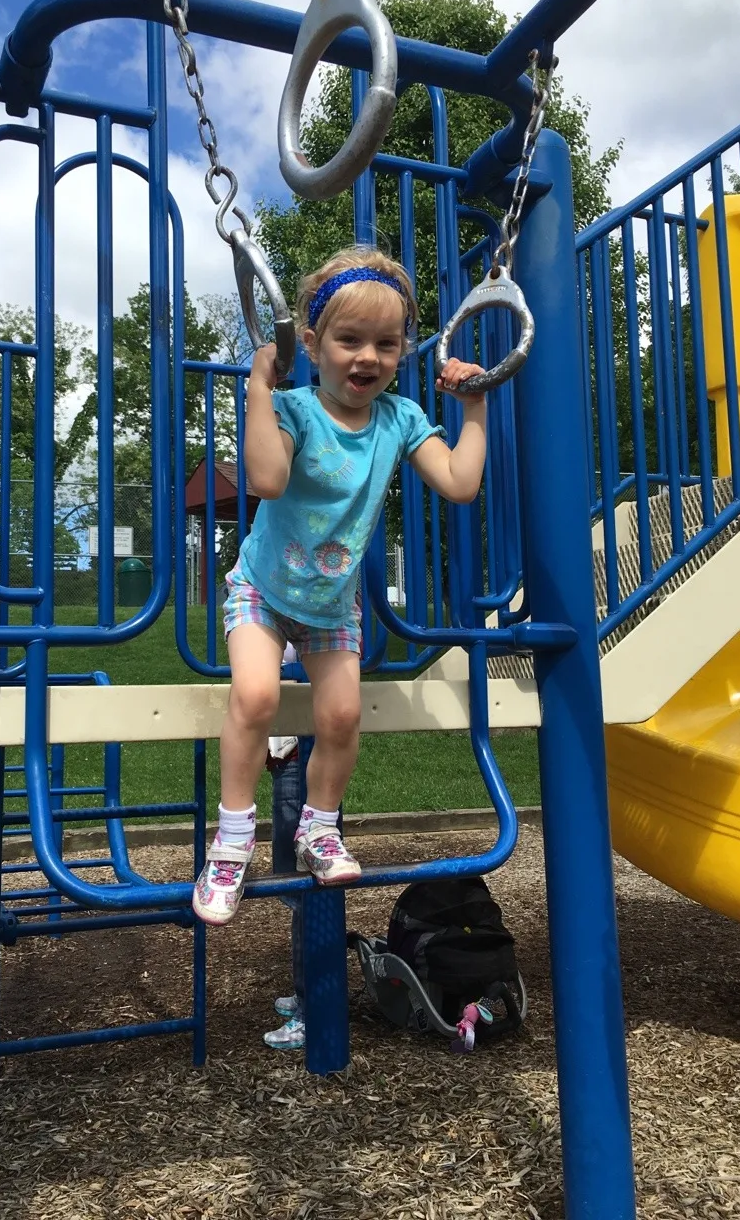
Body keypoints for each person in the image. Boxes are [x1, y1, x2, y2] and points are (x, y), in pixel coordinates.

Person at [193, 246, 487, 927]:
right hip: (264, 590)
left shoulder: (400, 419)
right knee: (257, 696)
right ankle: (232, 842)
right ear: (313, 345)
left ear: (403, 351)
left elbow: (459, 483)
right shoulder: (295, 409)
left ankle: (319, 828)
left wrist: (474, 409)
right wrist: (259, 388)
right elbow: (267, 481)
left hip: (330, 604)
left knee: (342, 716)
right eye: (349, 340)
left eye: (386, 344)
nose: (367, 357)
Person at [262, 642, 306, 1051]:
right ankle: (305, 992)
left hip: (300, 753)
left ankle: (312, 1007)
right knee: (296, 884)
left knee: (305, 888)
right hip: (288, 753)